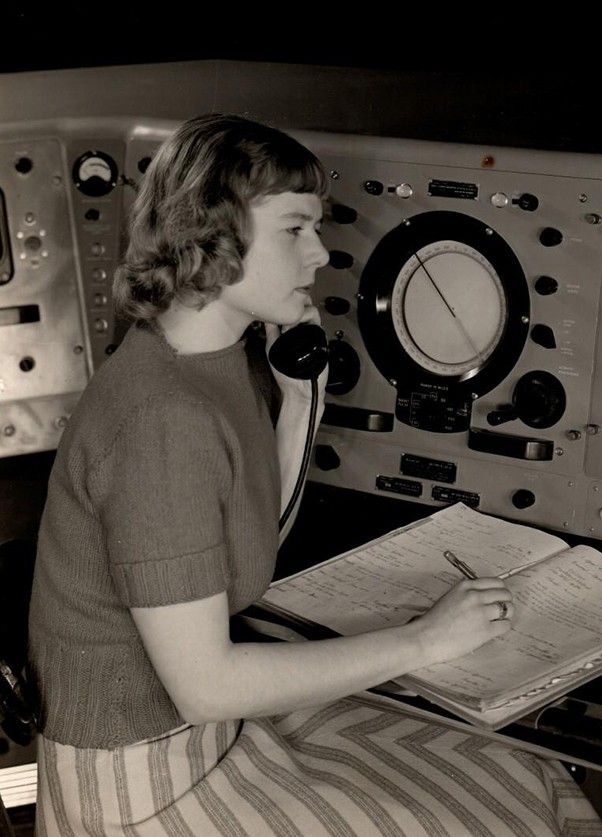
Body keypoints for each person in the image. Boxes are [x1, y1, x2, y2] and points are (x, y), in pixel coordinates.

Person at [28, 114, 600, 836]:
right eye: (295, 230)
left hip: (215, 736)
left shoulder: (219, 361)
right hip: (144, 783)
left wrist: (298, 398)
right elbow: (206, 685)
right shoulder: (161, 422)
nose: (322, 253)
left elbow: (249, 550)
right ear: (216, 235)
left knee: (523, 770)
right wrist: (426, 641)